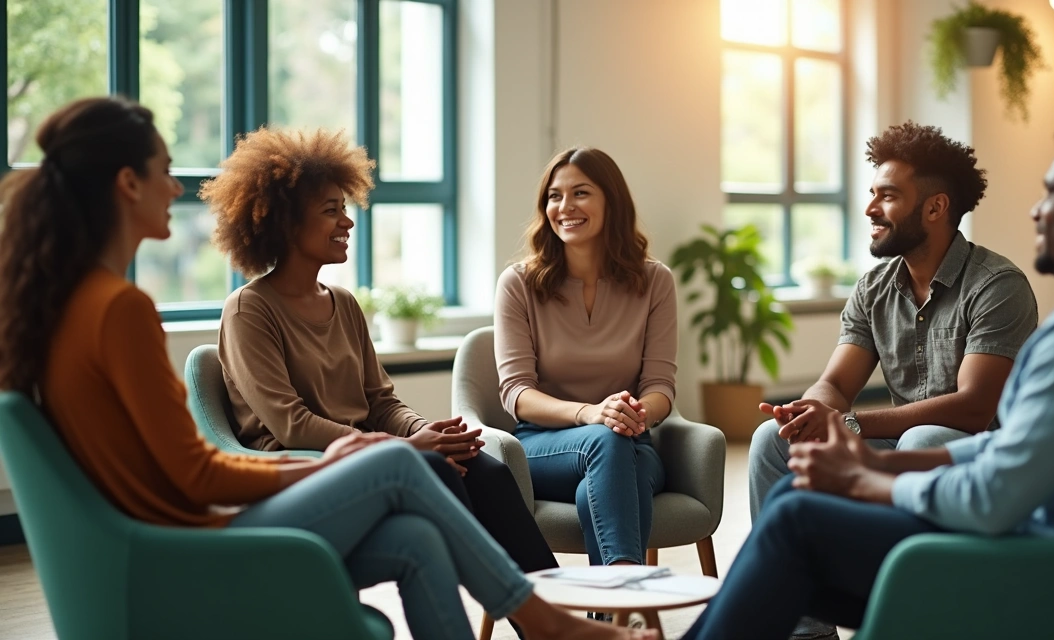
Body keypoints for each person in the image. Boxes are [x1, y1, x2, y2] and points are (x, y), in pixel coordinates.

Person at [0, 96, 654, 640]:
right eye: (166, 172)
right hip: (181, 548)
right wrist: (350, 458)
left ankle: (544, 613)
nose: (177, 188)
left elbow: (377, 400)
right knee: (400, 462)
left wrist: (386, 440)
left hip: (161, 539)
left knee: (418, 536)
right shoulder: (124, 310)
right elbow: (196, 474)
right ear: (127, 183)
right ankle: (546, 619)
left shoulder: (74, 302)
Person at [682, 104, 1054, 640]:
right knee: (792, 520)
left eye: (1052, 192)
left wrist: (869, 480)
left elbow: (992, 492)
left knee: (796, 522)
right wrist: (875, 462)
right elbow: (1019, 452)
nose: (1036, 210)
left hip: (1046, 575)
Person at [199, 128, 559, 600]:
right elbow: (291, 424)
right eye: (331, 210)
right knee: (443, 472)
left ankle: (552, 611)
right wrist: (403, 447)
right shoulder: (249, 310)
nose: (347, 223)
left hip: (371, 453)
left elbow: (380, 401)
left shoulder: (344, 304)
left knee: (485, 468)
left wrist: (427, 432)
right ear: (287, 223)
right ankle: (535, 613)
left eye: (344, 208)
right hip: (306, 466)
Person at [749, 122, 1038, 519]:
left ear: (935, 208)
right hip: (899, 444)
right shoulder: (873, 288)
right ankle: (793, 571)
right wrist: (809, 414)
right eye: (872, 194)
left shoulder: (997, 286)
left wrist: (849, 423)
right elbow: (835, 383)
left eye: (888, 196)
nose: (870, 208)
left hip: (980, 454)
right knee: (772, 439)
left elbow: (975, 408)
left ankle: (901, 574)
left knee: (922, 439)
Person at [494, 146, 675, 568]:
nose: (564, 207)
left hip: (632, 442)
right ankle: (627, 603)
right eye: (554, 196)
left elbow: (661, 387)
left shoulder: (654, 281)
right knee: (605, 441)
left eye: (580, 193)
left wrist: (629, 414)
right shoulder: (518, 284)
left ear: (611, 201)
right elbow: (516, 393)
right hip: (542, 445)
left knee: (599, 478)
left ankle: (606, 622)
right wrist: (591, 414)